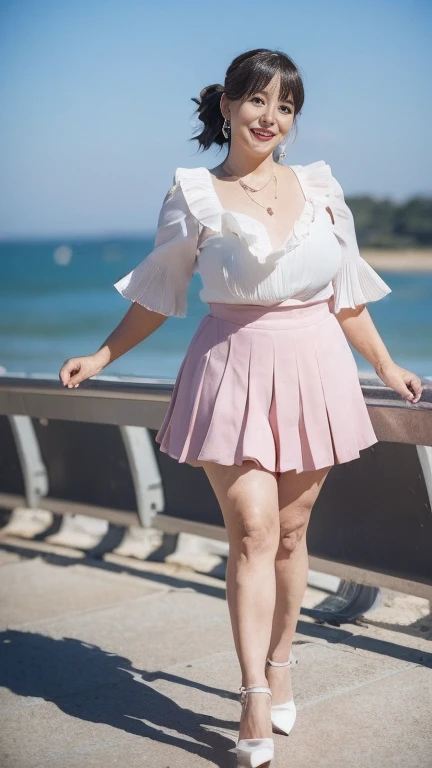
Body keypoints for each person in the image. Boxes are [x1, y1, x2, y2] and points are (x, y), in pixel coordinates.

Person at [59, 48, 424, 768]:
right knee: (254, 529)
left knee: (291, 533)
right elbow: (159, 293)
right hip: (230, 369)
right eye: (257, 101)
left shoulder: (321, 188)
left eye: (286, 106)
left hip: (316, 369)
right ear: (226, 107)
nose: (271, 117)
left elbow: (344, 296)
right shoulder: (192, 193)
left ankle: (282, 662)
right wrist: (103, 356)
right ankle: (253, 691)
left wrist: (385, 365)